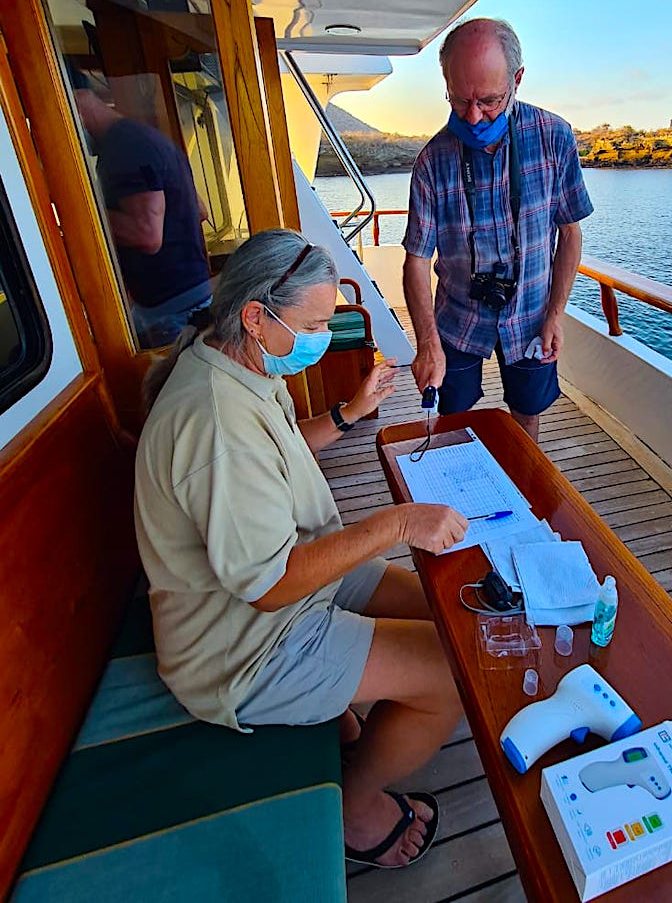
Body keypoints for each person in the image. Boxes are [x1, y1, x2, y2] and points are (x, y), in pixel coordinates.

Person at [135, 228, 467, 869]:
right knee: (451, 673)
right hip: (241, 646)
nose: (323, 336)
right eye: (314, 323)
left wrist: (349, 412)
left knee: (446, 610)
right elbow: (266, 587)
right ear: (257, 315)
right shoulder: (215, 424)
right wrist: (397, 523)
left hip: (294, 581)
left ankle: (346, 715)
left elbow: (277, 453)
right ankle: (355, 805)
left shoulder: (234, 359)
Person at [403, 18, 594, 441]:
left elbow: (570, 234)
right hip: (456, 319)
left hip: (531, 315)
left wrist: (555, 315)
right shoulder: (432, 161)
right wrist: (427, 342)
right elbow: (416, 261)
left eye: (489, 101)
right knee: (451, 416)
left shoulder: (554, 137)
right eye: (458, 101)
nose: (472, 117)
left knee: (527, 415)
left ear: (518, 80)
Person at [72, 73, 212, 348]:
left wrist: (80, 209)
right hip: (191, 296)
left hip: (169, 309)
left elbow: (147, 234)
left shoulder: (125, 146)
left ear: (76, 101)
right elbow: (200, 210)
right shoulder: (144, 138)